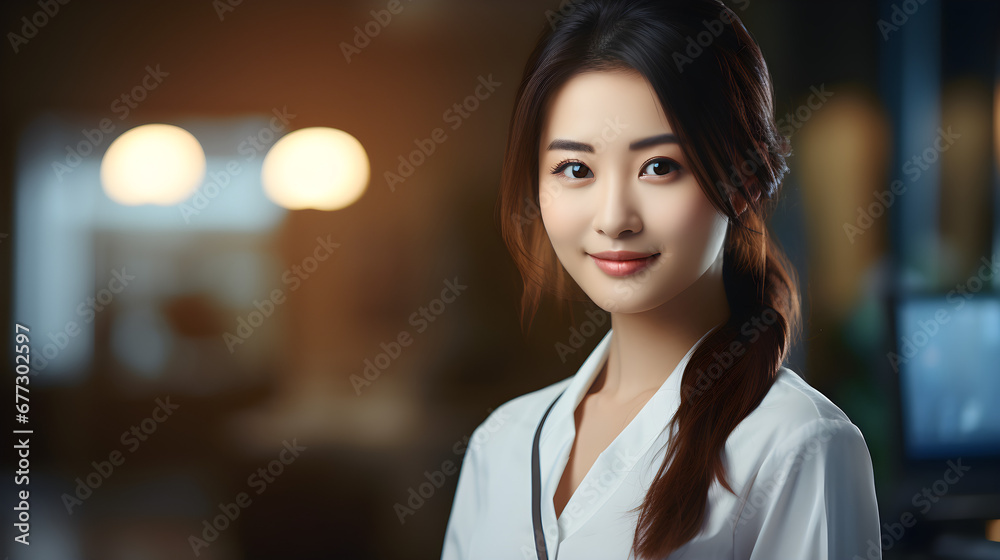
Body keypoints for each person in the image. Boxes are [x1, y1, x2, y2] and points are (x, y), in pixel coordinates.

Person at [441, 0, 881, 558]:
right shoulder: (503, 440)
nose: (614, 218)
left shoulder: (798, 443)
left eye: (660, 167)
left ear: (745, 180)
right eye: (576, 170)